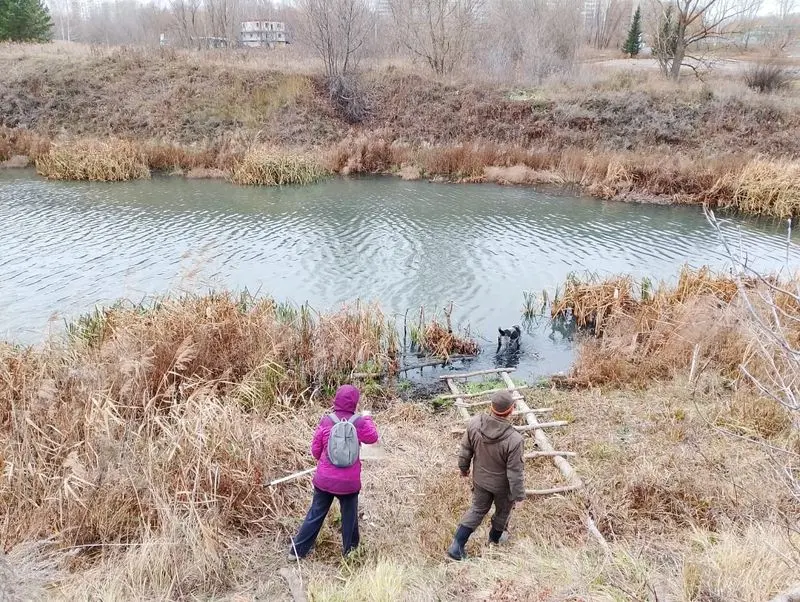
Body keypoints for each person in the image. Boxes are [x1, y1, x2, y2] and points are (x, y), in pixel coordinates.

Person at [288, 384, 379, 560]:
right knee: (349, 517)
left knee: (315, 514)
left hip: (324, 480)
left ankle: (296, 552)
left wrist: (324, 462)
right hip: (349, 484)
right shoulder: (359, 422)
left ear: (335, 399)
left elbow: (315, 450)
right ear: (355, 402)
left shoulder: (326, 421)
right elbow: (373, 437)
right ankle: (350, 554)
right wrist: (367, 418)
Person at [447, 390, 526, 560]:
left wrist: (463, 468)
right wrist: (519, 496)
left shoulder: (475, 423)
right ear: (511, 410)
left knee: (477, 509)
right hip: (502, 487)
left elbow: (465, 450)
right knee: (503, 512)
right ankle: (494, 541)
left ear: (491, 407)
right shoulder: (514, 439)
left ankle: (457, 546)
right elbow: (514, 472)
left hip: (480, 480)